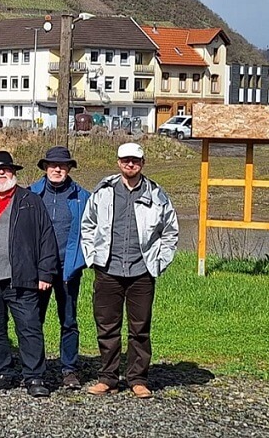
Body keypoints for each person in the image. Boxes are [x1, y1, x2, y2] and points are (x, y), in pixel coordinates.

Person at [82, 142, 178, 399]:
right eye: (125, 160)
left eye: (135, 160)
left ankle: (137, 379)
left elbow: (170, 231)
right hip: (108, 270)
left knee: (140, 328)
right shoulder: (103, 191)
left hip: (142, 272)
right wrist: (92, 257)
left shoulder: (157, 194)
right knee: (107, 327)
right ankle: (108, 378)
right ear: (118, 162)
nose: (130, 164)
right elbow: (87, 225)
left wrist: (160, 260)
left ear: (143, 163)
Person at [0, 151, 57, 398]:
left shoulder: (31, 201)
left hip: (21, 277)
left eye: (6, 169)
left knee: (29, 327)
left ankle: (34, 376)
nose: (1, 173)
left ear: (14, 173)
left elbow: (47, 238)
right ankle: (2, 371)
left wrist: (46, 272)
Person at [28, 146, 91, 389]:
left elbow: (92, 232)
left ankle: (69, 369)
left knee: (68, 320)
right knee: (35, 320)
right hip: (39, 269)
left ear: (69, 169)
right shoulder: (31, 194)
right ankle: (36, 368)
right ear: (45, 167)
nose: (57, 169)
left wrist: (81, 261)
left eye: (62, 165)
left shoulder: (82, 197)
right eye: (52, 165)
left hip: (69, 268)